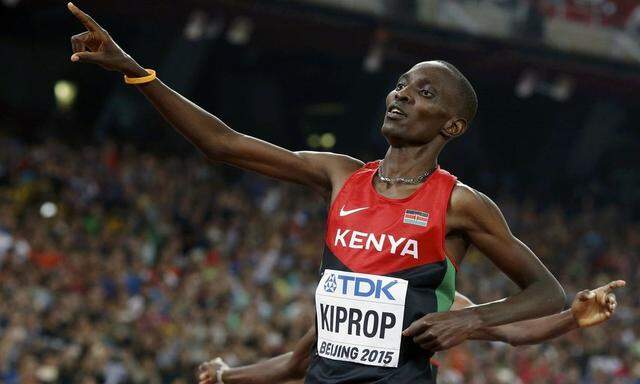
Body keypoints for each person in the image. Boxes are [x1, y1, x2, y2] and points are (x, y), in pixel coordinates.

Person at [67, 3, 567, 382]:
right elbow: (221, 143)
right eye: (402, 84)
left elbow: (547, 294)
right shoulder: (341, 176)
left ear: (453, 126)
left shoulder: (459, 203)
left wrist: (470, 321)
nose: (402, 95)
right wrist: (133, 68)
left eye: (425, 93)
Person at [196, 280, 626, 383]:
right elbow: (295, 362)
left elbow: (514, 331)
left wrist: (571, 317)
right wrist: (223, 377)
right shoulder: (346, 291)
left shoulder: (432, 300)